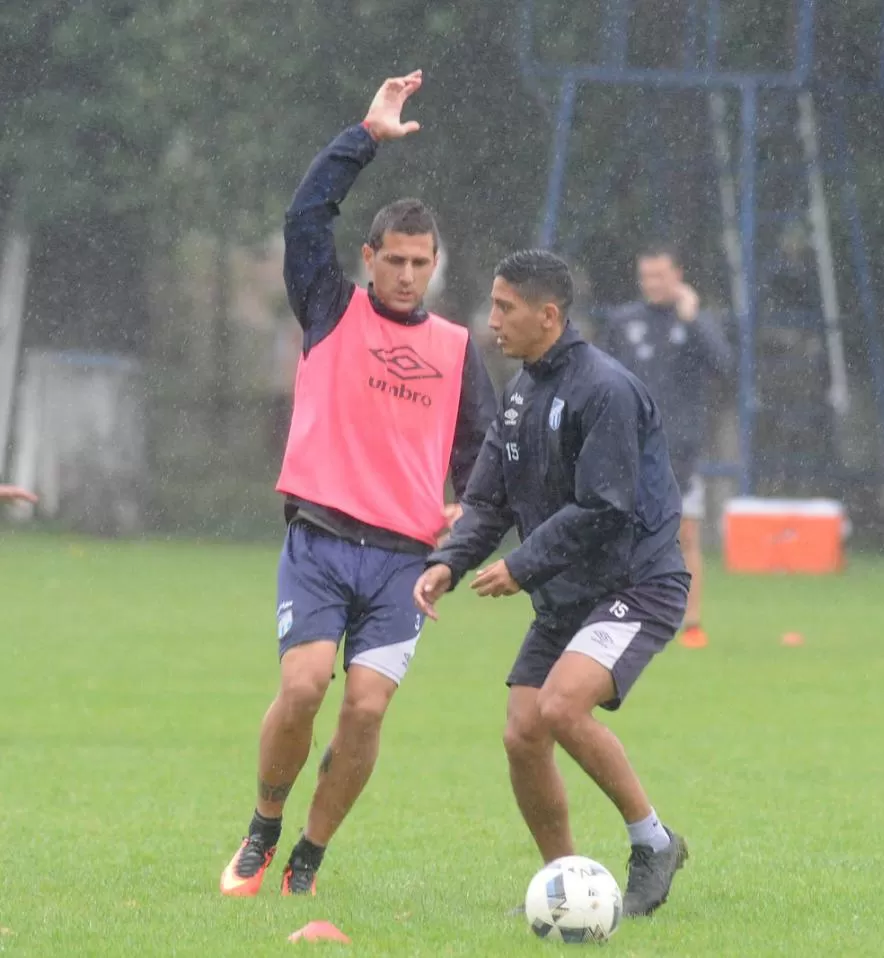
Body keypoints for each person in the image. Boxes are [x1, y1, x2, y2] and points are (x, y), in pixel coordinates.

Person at [220, 71, 496, 898]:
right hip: (320, 541)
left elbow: (489, 460)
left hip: (401, 562)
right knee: (303, 687)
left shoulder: (454, 349)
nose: (408, 276)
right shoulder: (332, 308)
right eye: (395, 260)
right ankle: (265, 823)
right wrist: (365, 137)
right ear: (369, 258)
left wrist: (467, 522)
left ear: (435, 265)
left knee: (367, 709)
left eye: (422, 263)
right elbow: (304, 218)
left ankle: (308, 857)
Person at [415, 250, 691, 918]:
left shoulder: (606, 389)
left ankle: (654, 842)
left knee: (561, 708)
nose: (492, 321)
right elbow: (488, 502)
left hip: (637, 581)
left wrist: (522, 564)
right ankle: (566, 883)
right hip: (570, 592)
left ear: (549, 314)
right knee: (522, 733)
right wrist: (448, 563)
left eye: (505, 307)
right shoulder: (519, 397)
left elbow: (606, 506)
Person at [597, 244, 733, 649]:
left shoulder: (696, 322)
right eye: (647, 276)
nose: (653, 284)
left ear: (678, 275)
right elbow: (599, 376)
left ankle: (691, 624)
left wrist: (694, 319)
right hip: (627, 447)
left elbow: (725, 367)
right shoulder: (623, 322)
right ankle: (623, 613)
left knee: (685, 533)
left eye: (660, 275)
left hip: (680, 450)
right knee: (622, 533)